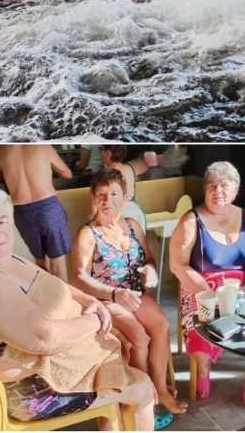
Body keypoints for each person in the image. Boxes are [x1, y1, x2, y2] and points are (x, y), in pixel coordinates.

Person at [0, 184, 156, 431]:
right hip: (38, 391)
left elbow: (58, 285)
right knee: (142, 388)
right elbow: (44, 339)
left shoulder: (9, 258)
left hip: (65, 364)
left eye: (3, 221)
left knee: (122, 357)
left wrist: (92, 302)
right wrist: (99, 318)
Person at [71, 170, 187, 422]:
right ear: (93, 198)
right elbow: (80, 277)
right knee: (139, 337)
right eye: (101, 194)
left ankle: (159, 390)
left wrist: (150, 271)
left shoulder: (132, 226)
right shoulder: (88, 234)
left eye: (113, 194)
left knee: (162, 326)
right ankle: (143, 400)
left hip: (134, 291)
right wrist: (114, 294)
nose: (107, 200)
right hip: (106, 299)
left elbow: (148, 258)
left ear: (124, 198)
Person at [168, 161, 245, 406]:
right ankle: (203, 369)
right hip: (202, 287)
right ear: (205, 190)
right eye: (212, 186)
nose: (218, 191)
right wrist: (208, 294)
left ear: (235, 190)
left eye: (224, 185)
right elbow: (177, 265)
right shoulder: (191, 220)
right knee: (200, 321)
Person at [0, 145, 73, 282]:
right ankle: (66, 302)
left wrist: (2, 176)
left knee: (41, 265)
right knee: (58, 266)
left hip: (23, 213)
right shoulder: (43, 146)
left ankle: (46, 302)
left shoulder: (0, 148)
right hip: (49, 209)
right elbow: (67, 174)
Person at [99, 145, 147, 229]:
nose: (100, 153)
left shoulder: (105, 175)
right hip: (135, 212)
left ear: (108, 153)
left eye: (101, 149)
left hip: (118, 215)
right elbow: (145, 164)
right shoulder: (130, 167)